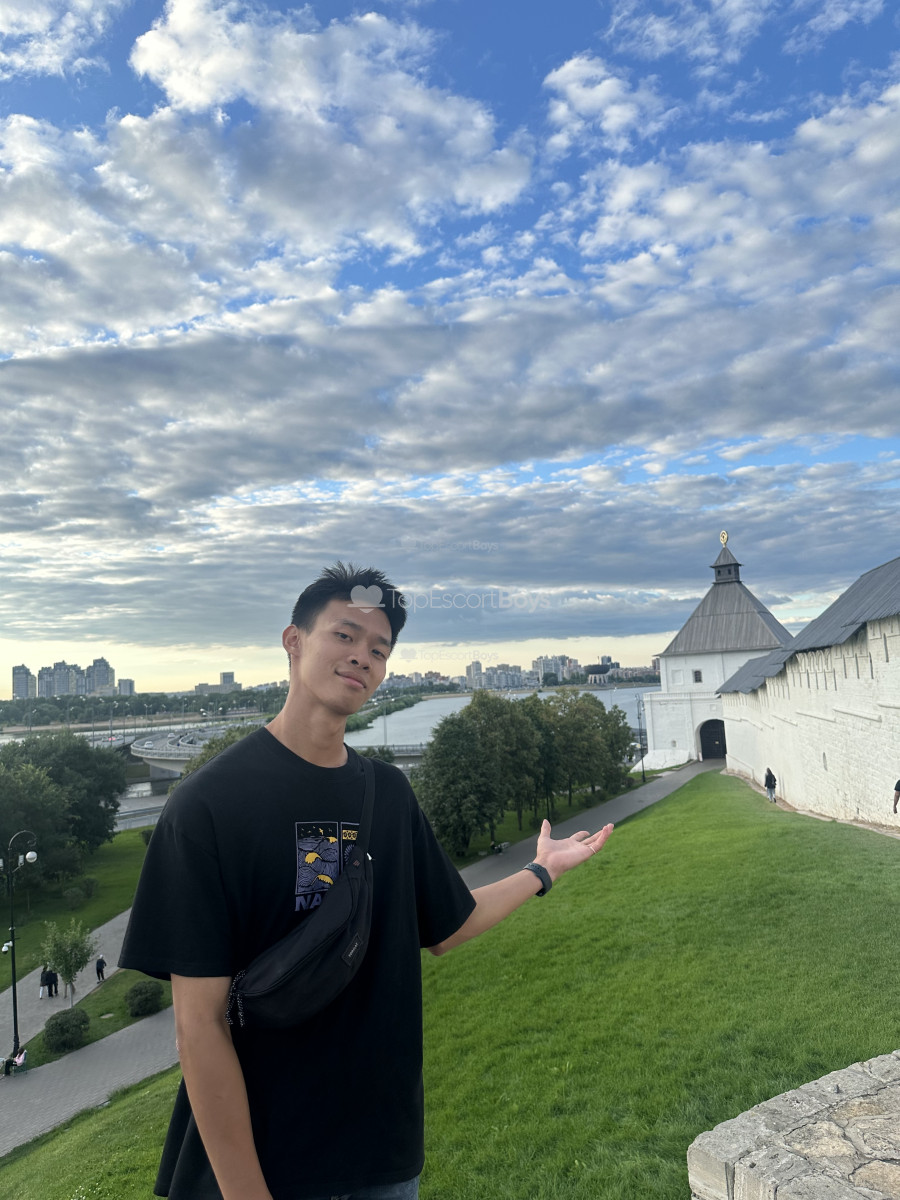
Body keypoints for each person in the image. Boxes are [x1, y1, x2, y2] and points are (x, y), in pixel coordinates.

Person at [120, 563, 613, 1200]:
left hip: (385, 1156)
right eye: (344, 636)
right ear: (293, 642)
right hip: (272, 1164)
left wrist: (542, 870)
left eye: (379, 649)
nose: (362, 657)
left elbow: (448, 924)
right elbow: (199, 1026)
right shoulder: (208, 806)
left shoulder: (388, 793)